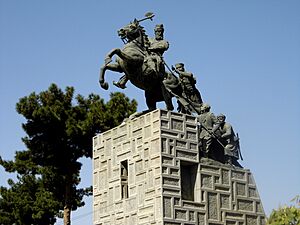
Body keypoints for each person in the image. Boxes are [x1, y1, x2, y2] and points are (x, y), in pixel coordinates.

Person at [113, 24, 169, 89]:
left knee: (150, 61)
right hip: (145, 54)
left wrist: (151, 48)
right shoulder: (151, 39)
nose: (158, 33)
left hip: (155, 57)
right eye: (156, 31)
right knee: (135, 62)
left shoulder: (164, 42)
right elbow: (143, 42)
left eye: (159, 31)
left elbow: (163, 47)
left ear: (162, 32)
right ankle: (123, 80)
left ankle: (156, 74)